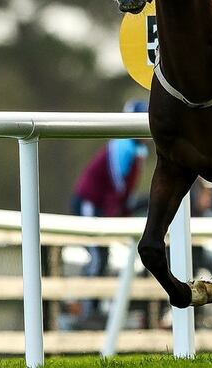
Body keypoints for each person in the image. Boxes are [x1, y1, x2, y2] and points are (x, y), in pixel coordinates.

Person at [69, 99, 149, 321]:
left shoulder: (137, 148)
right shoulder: (122, 144)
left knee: (101, 255)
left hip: (100, 206)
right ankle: (84, 309)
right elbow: (117, 185)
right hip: (90, 203)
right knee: (97, 254)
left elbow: (125, 191)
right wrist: (119, 216)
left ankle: (89, 306)